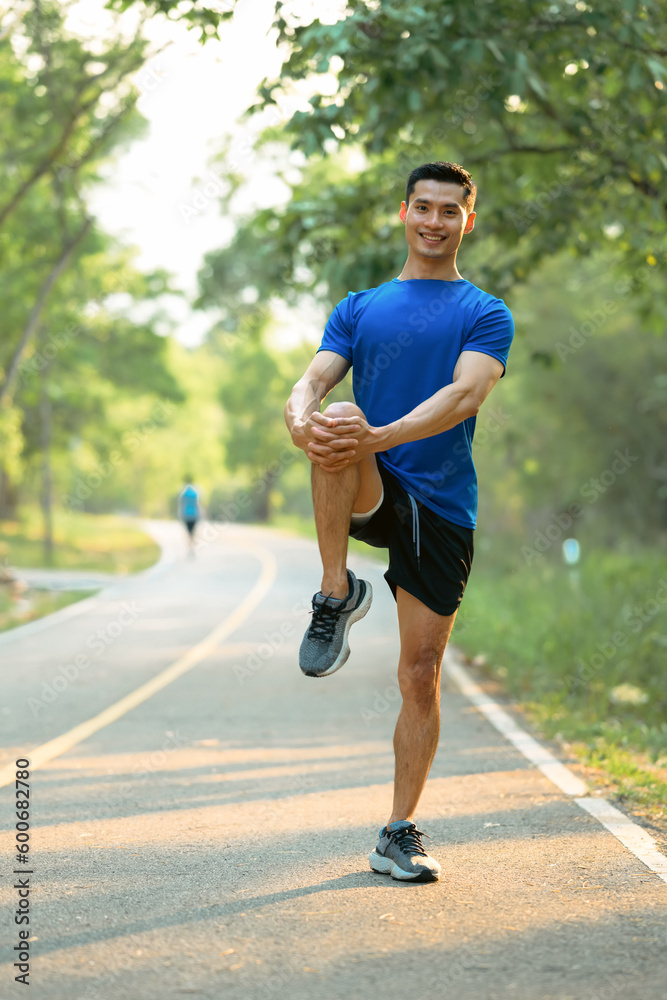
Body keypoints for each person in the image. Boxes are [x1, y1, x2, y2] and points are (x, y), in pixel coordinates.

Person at [284, 161, 514, 883]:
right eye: (424, 207)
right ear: (403, 213)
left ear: (465, 222)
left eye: (450, 211)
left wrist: (379, 436)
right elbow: (315, 378)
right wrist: (299, 418)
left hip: (440, 504)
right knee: (336, 417)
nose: (435, 221)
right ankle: (334, 590)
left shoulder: (485, 312)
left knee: (420, 672)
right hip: (371, 483)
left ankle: (397, 829)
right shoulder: (359, 306)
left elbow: (463, 396)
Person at [178, 479, 200, 550]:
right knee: (193, 531)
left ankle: (190, 544)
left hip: (186, 515)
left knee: (189, 531)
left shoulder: (184, 494)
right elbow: (197, 505)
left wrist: (180, 515)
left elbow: (181, 505)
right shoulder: (195, 494)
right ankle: (192, 544)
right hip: (194, 514)